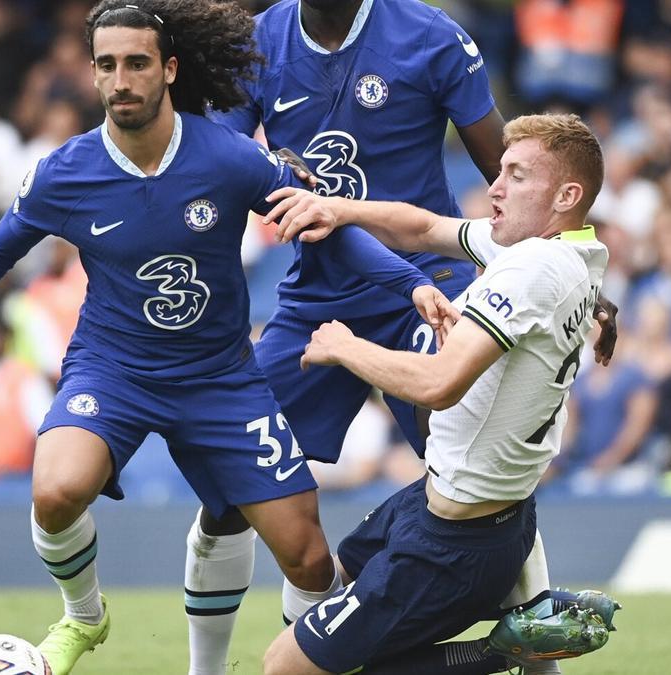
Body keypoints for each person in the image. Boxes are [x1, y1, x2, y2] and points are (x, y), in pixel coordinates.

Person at [0, 2, 452, 673]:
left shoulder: (232, 159)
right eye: (106, 65)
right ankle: (84, 616)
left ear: (169, 69)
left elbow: (327, 228)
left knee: (308, 554)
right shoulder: (66, 171)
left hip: (220, 378)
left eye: (137, 63)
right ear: (92, 75)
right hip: (113, 371)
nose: (121, 79)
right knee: (56, 490)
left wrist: (407, 282)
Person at [198, 3, 617, 673]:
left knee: (465, 446)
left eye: (519, 178)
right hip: (321, 283)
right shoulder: (261, 42)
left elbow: (440, 376)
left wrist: (342, 344)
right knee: (233, 477)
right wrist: (326, 204)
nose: (501, 189)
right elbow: (425, 221)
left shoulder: (431, 38)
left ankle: (534, 653)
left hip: (427, 286)